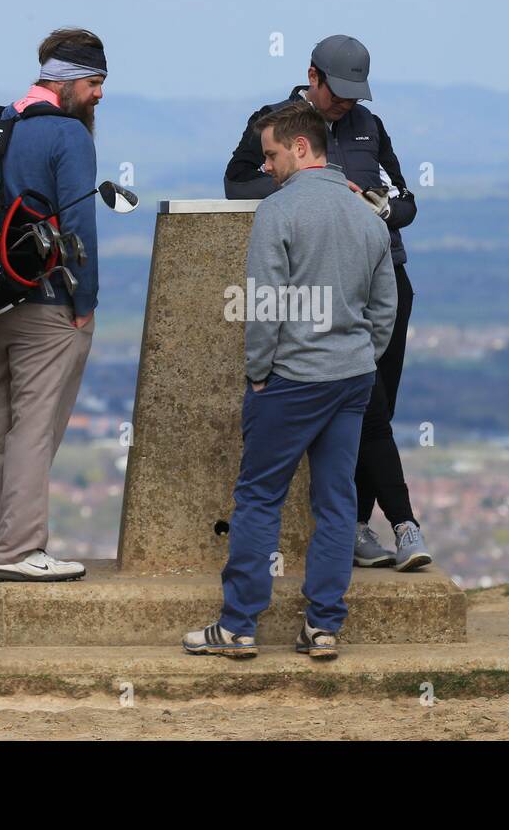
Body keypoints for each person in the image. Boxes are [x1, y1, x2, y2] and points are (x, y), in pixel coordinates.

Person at [184, 103, 397, 660]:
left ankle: (237, 626)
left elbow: (266, 306)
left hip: (291, 380)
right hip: (351, 378)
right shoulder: (366, 215)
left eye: (273, 154)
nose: (268, 166)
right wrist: (361, 357)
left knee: (258, 499)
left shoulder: (278, 213)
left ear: (301, 148)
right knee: (335, 503)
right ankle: (323, 627)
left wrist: (259, 374)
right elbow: (385, 308)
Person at [223, 35, 430, 572]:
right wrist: (308, 198)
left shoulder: (369, 126)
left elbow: (407, 201)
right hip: (316, 286)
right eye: (339, 91)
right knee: (369, 405)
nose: (346, 103)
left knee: (376, 403)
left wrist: (380, 208)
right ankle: (395, 525)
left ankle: (362, 524)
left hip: (383, 279)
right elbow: (236, 185)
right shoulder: (275, 122)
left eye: (355, 93)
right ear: (312, 76)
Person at [0, 27, 105, 582]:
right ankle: (21, 549)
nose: (99, 94)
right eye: (93, 82)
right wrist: (85, 299)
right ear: (64, 80)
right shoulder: (69, 136)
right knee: (34, 427)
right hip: (48, 301)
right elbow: (80, 221)